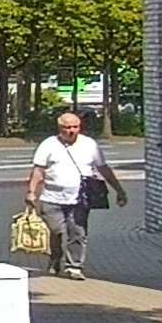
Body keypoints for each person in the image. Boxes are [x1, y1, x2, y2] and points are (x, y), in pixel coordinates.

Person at [25, 107, 121, 278]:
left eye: (75, 127)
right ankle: (55, 257)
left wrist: (118, 190)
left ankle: (74, 266)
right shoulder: (49, 144)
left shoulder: (89, 144)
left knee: (77, 232)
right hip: (52, 198)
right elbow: (38, 170)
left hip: (80, 197)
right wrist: (31, 192)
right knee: (56, 231)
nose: (71, 131)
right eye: (67, 128)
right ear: (59, 128)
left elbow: (103, 168)